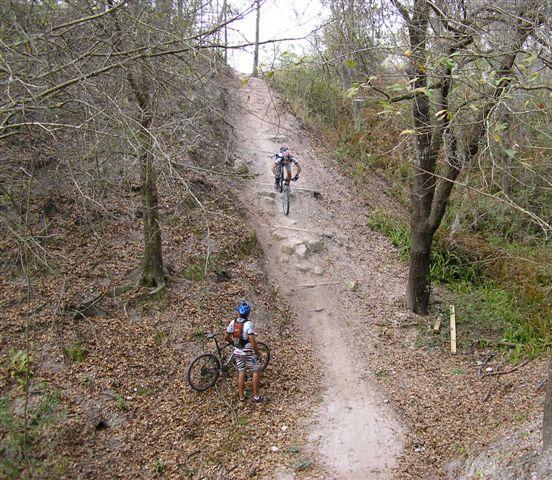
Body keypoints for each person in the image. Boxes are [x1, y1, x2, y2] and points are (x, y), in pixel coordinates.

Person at [224, 301, 267, 403]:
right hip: (247, 352)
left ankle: (241, 397)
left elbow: (226, 337)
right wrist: (257, 353)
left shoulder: (233, 322)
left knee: (241, 372)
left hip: (237, 352)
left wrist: (234, 344)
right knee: (256, 371)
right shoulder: (249, 324)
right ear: (248, 313)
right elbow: (252, 340)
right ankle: (256, 397)